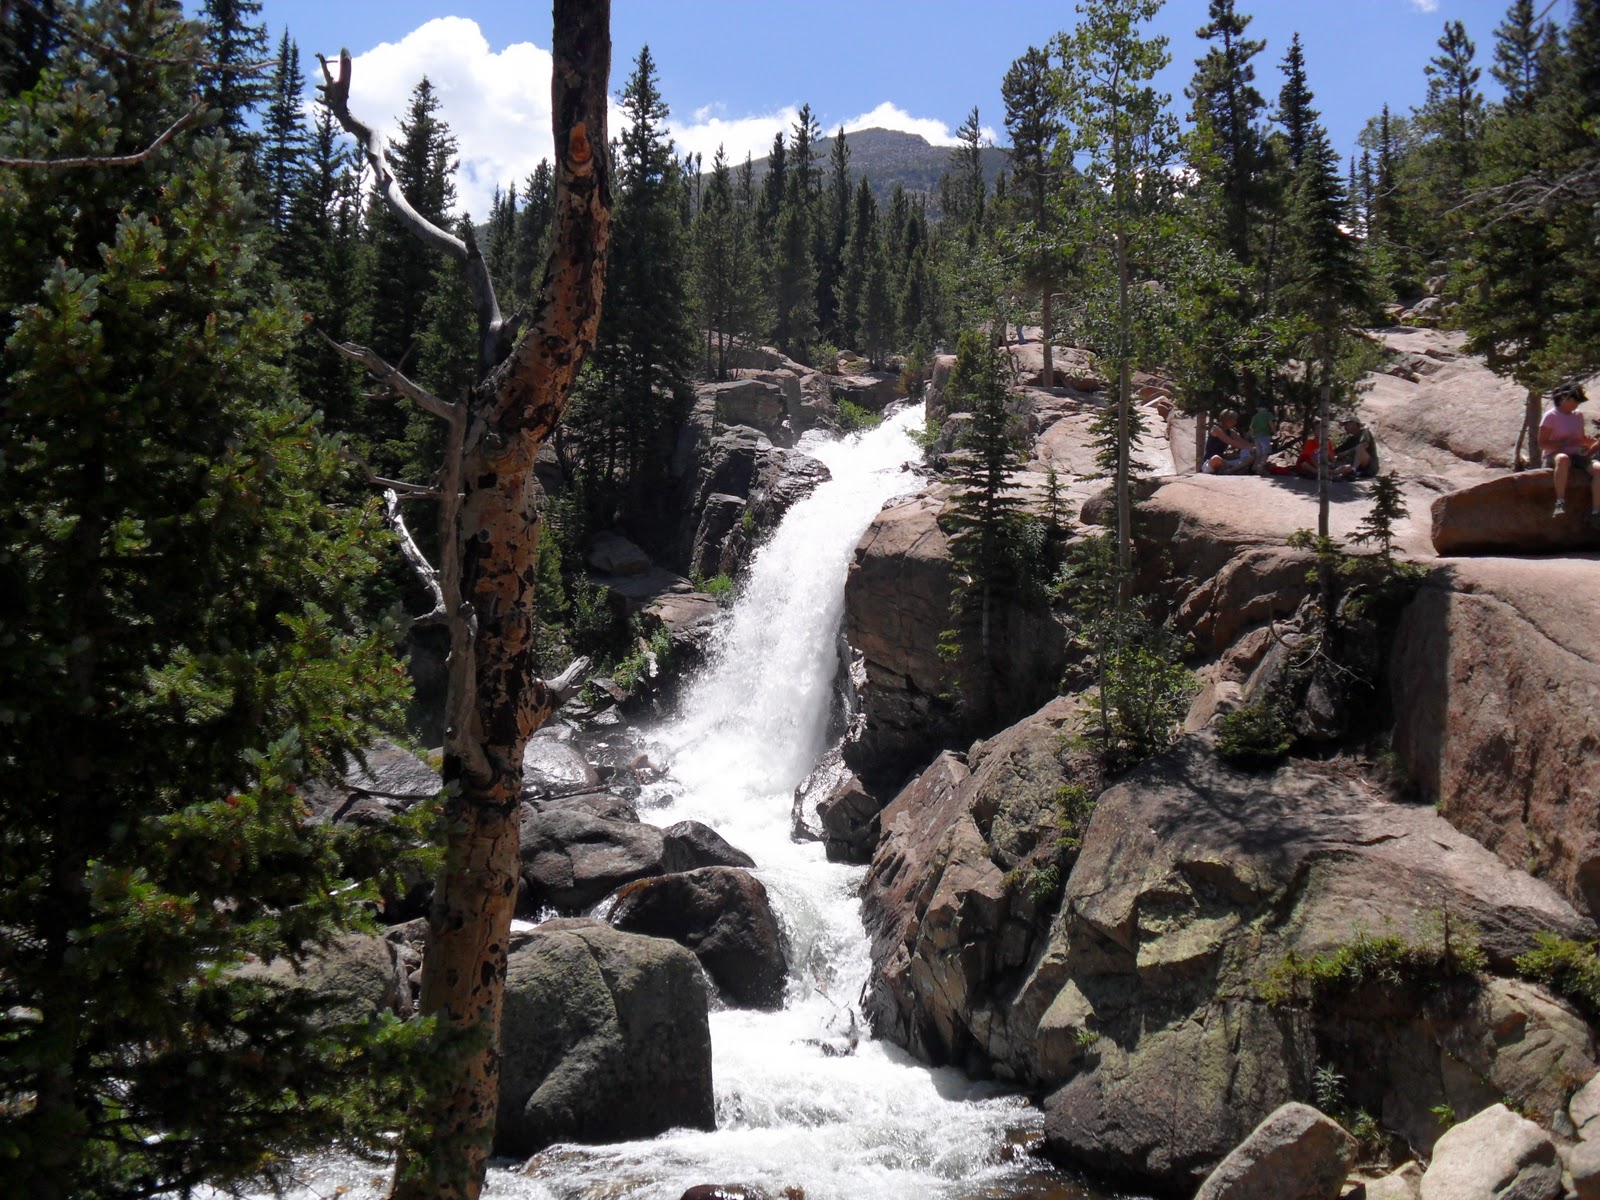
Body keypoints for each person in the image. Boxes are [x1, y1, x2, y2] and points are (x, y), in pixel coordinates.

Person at [1540, 380, 1600, 526]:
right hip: (1554, 455)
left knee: (1598, 469)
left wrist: (1590, 442)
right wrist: (1564, 443)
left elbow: (1580, 439)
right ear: (1563, 398)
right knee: (1563, 458)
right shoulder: (1551, 416)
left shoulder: (1577, 415)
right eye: (1575, 401)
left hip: (1575, 455)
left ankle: (1596, 511)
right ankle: (1560, 502)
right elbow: (1542, 444)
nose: (1577, 404)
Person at [1201, 408, 1254, 474]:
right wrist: (1250, 448)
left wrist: (1256, 447)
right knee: (1216, 458)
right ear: (1226, 420)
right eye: (1233, 419)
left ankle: (1229, 471)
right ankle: (1231, 469)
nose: (1235, 422)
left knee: (1249, 458)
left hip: (1224, 462)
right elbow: (1231, 442)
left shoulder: (1231, 432)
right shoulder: (1216, 429)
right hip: (1210, 462)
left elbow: (1243, 442)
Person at [1331, 416, 1379, 481]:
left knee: (1359, 447)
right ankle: (1335, 473)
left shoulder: (1364, 432)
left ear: (1353, 423)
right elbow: (1336, 451)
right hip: (1360, 469)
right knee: (1339, 458)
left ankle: (1352, 471)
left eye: (1346, 424)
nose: (1345, 427)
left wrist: (1346, 453)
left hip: (1370, 467)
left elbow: (1365, 445)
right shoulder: (1350, 439)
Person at [1248, 400, 1277, 476]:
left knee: (1259, 454)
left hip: (1257, 438)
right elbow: (1271, 423)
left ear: (1257, 408)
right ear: (1267, 408)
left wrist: (1253, 436)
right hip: (1265, 436)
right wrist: (1275, 432)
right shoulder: (1268, 414)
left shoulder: (1255, 416)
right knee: (1266, 452)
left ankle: (1254, 468)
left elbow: (1251, 428)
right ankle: (1261, 466)